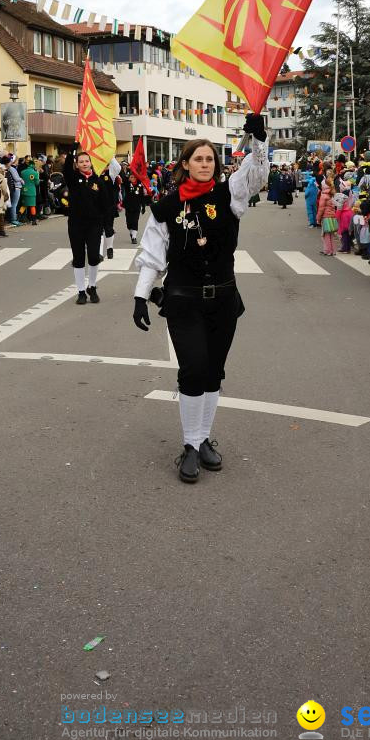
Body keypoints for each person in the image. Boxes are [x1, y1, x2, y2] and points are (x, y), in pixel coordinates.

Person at [132, 115, 268, 483]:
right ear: (185, 164)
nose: (205, 164)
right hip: (183, 299)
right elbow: (152, 256)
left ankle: (204, 438)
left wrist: (258, 140)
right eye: (198, 159)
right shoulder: (165, 207)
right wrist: (141, 295)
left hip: (223, 299)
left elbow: (256, 174)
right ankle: (190, 445)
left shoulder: (231, 195)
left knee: (213, 372)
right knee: (192, 369)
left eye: (210, 159)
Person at [63, 144, 118, 304]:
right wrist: (72, 151)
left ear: (90, 163)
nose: (85, 164)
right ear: (77, 164)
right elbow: (66, 169)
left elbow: (106, 204)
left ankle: (92, 287)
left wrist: (105, 223)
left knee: (94, 257)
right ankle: (81, 291)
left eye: (87, 161)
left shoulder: (98, 182)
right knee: (78, 258)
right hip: (76, 224)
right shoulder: (73, 179)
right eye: (81, 161)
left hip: (94, 225)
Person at [121, 170, 146, 245]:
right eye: (131, 177)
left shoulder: (140, 185)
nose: (133, 178)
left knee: (135, 221)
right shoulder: (127, 184)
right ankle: (132, 232)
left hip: (136, 206)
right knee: (129, 223)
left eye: (134, 177)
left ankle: (134, 237)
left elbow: (142, 197)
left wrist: (143, 206)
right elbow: (123, 178)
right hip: (128, 206)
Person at [316, 180, 338, 256]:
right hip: (333, 216)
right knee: (332, 235)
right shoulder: (332, 194)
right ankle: (333, 251)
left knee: (326, 235)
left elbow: (321, 208)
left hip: (326, 217)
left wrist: (318, 218)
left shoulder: (324, 195)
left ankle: (327, 250)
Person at [20, 158, 39, 226]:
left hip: (24, 190)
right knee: (32, 206)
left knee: (24, 205)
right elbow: (37, 183)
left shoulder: (22, 172)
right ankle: (34, 220)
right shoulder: (35, 173)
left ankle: (19, 216)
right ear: (33, 165)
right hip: (31, 191)